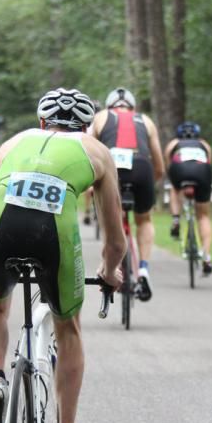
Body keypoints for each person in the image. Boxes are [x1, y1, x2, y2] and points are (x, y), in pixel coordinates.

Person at [0, 88, 126, 423]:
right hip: (52, 236)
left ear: (42, 122)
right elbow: (115, 239)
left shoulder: (14, 143)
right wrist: (109, 272)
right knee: (67, 328)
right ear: (87, 126)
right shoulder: (97, 152)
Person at [89, 87, 165, 300]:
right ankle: (143, 269)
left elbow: (89, 151)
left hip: (112, 167)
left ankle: (108, 265)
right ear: (132, 106)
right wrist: (150, 182)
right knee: (144, 219)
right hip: (142, 167)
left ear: (109, 105)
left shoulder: (100, 117)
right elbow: (159, 165)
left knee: (108, 219)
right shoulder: (146, 120)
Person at [164, 121, 212, 276]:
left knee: (173, 187)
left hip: (180, 170)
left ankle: (175, 218)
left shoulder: (174, 143)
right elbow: (209, 163)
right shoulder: (204, 145)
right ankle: (206, 255)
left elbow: (169, 164)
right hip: (202, 171)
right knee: (203, 216)